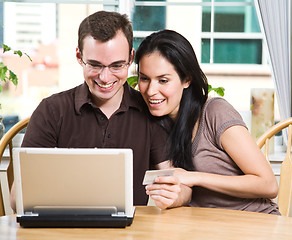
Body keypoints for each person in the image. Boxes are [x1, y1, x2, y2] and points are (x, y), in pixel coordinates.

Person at [10, 12, 189, 210]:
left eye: (116, 65)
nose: (105, 77)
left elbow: (181, 185)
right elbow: (17, 198)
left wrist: (176, 195)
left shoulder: (150, 112)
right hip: (63, 228)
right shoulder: (51, 110)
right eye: (95, 65)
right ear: (79, 56)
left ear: (130, 58)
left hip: (128, 233)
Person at [135, 29, 280, 214]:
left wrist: (194, 178)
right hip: (207, 226)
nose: (150, 91)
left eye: (163, 80)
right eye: (144, 79)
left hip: (255, 222)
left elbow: (268, 184)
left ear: (187, 79)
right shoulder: (155, 124)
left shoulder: (215, 112)